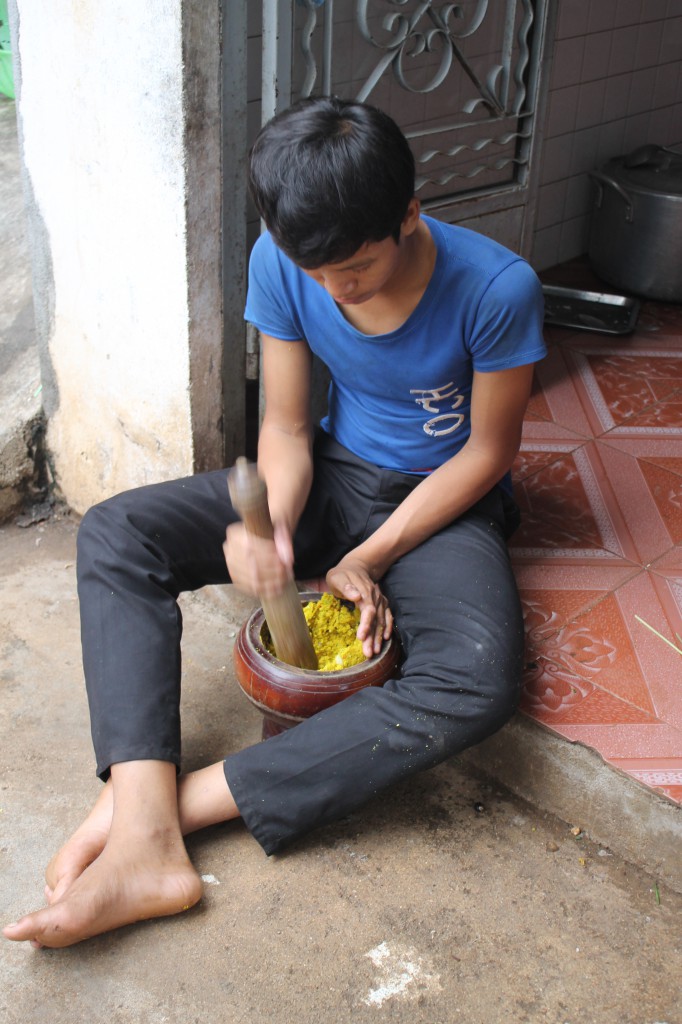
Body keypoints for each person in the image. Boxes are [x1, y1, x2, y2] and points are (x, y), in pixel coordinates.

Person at [3, 97, 546, 948]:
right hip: (331, 476)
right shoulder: (281, 259)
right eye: (314, 270)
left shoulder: (497, 287)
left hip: (440, 503)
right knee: (117, 533)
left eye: (355, 269)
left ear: (409, 212)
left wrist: (365, 555)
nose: (334, 289)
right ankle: (146, 833)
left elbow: (486, 454)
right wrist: (274, 528)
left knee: (474, 682)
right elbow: (289, 428)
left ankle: (165, 812)